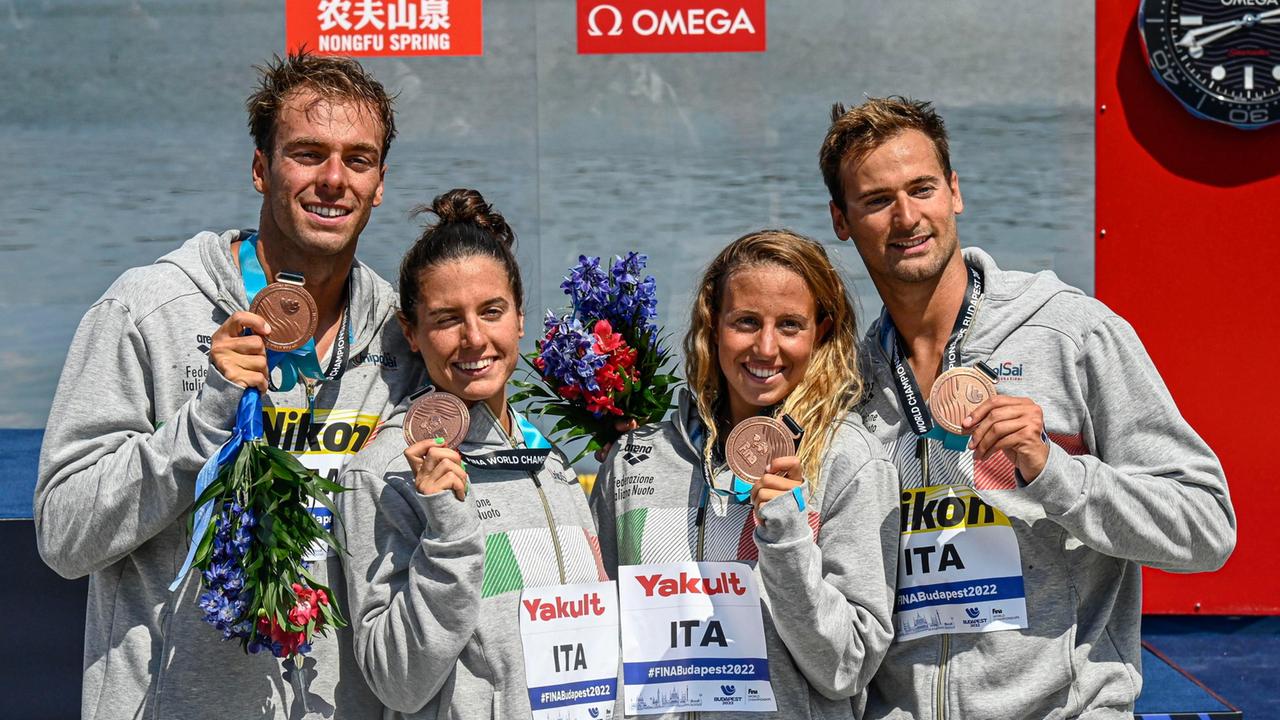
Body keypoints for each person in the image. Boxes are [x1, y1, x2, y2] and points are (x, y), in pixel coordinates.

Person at [820, 96, 1236, 719]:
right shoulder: (849, 383)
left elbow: (1207, 530)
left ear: (955, 192)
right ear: (841, 220)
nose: (906, 217)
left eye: (922, 188)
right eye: (877, 200)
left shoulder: (1069, 333)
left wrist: (1053, 473)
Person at [34, 52, 420, 719]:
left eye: (357, 160)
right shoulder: (148, 310)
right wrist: (201, 425)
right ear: (260, 168)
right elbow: (66, 535)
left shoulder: (398, 336)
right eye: (307, 154)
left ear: (380, 182)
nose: (333, 180)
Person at [591, 229, 900, 719]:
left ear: (821, 331)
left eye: (791, 325)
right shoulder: (638, 458)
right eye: (746, 322)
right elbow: (601, 633)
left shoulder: (850, 459)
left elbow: (846, 667)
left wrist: (787, 539)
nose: (766, 347)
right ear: (713, 324)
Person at [338, 188, 610, 718]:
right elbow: (397, 682)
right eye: (445, 319)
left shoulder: (548, 461)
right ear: (411, 333)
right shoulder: (385, 471)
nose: (474, 338)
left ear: (521, 318)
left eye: (492, 311)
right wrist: (447, 536)